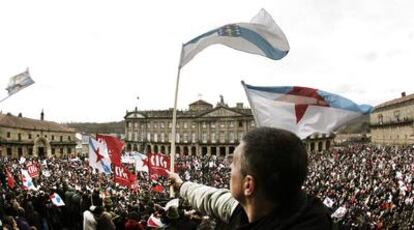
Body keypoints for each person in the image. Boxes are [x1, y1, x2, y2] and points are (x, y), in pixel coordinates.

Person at [168, 127, 332, 229]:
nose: (230, 168)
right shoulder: (307, 211)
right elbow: (213, 199)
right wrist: (181, 185)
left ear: (248, 185)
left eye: (234, 163)